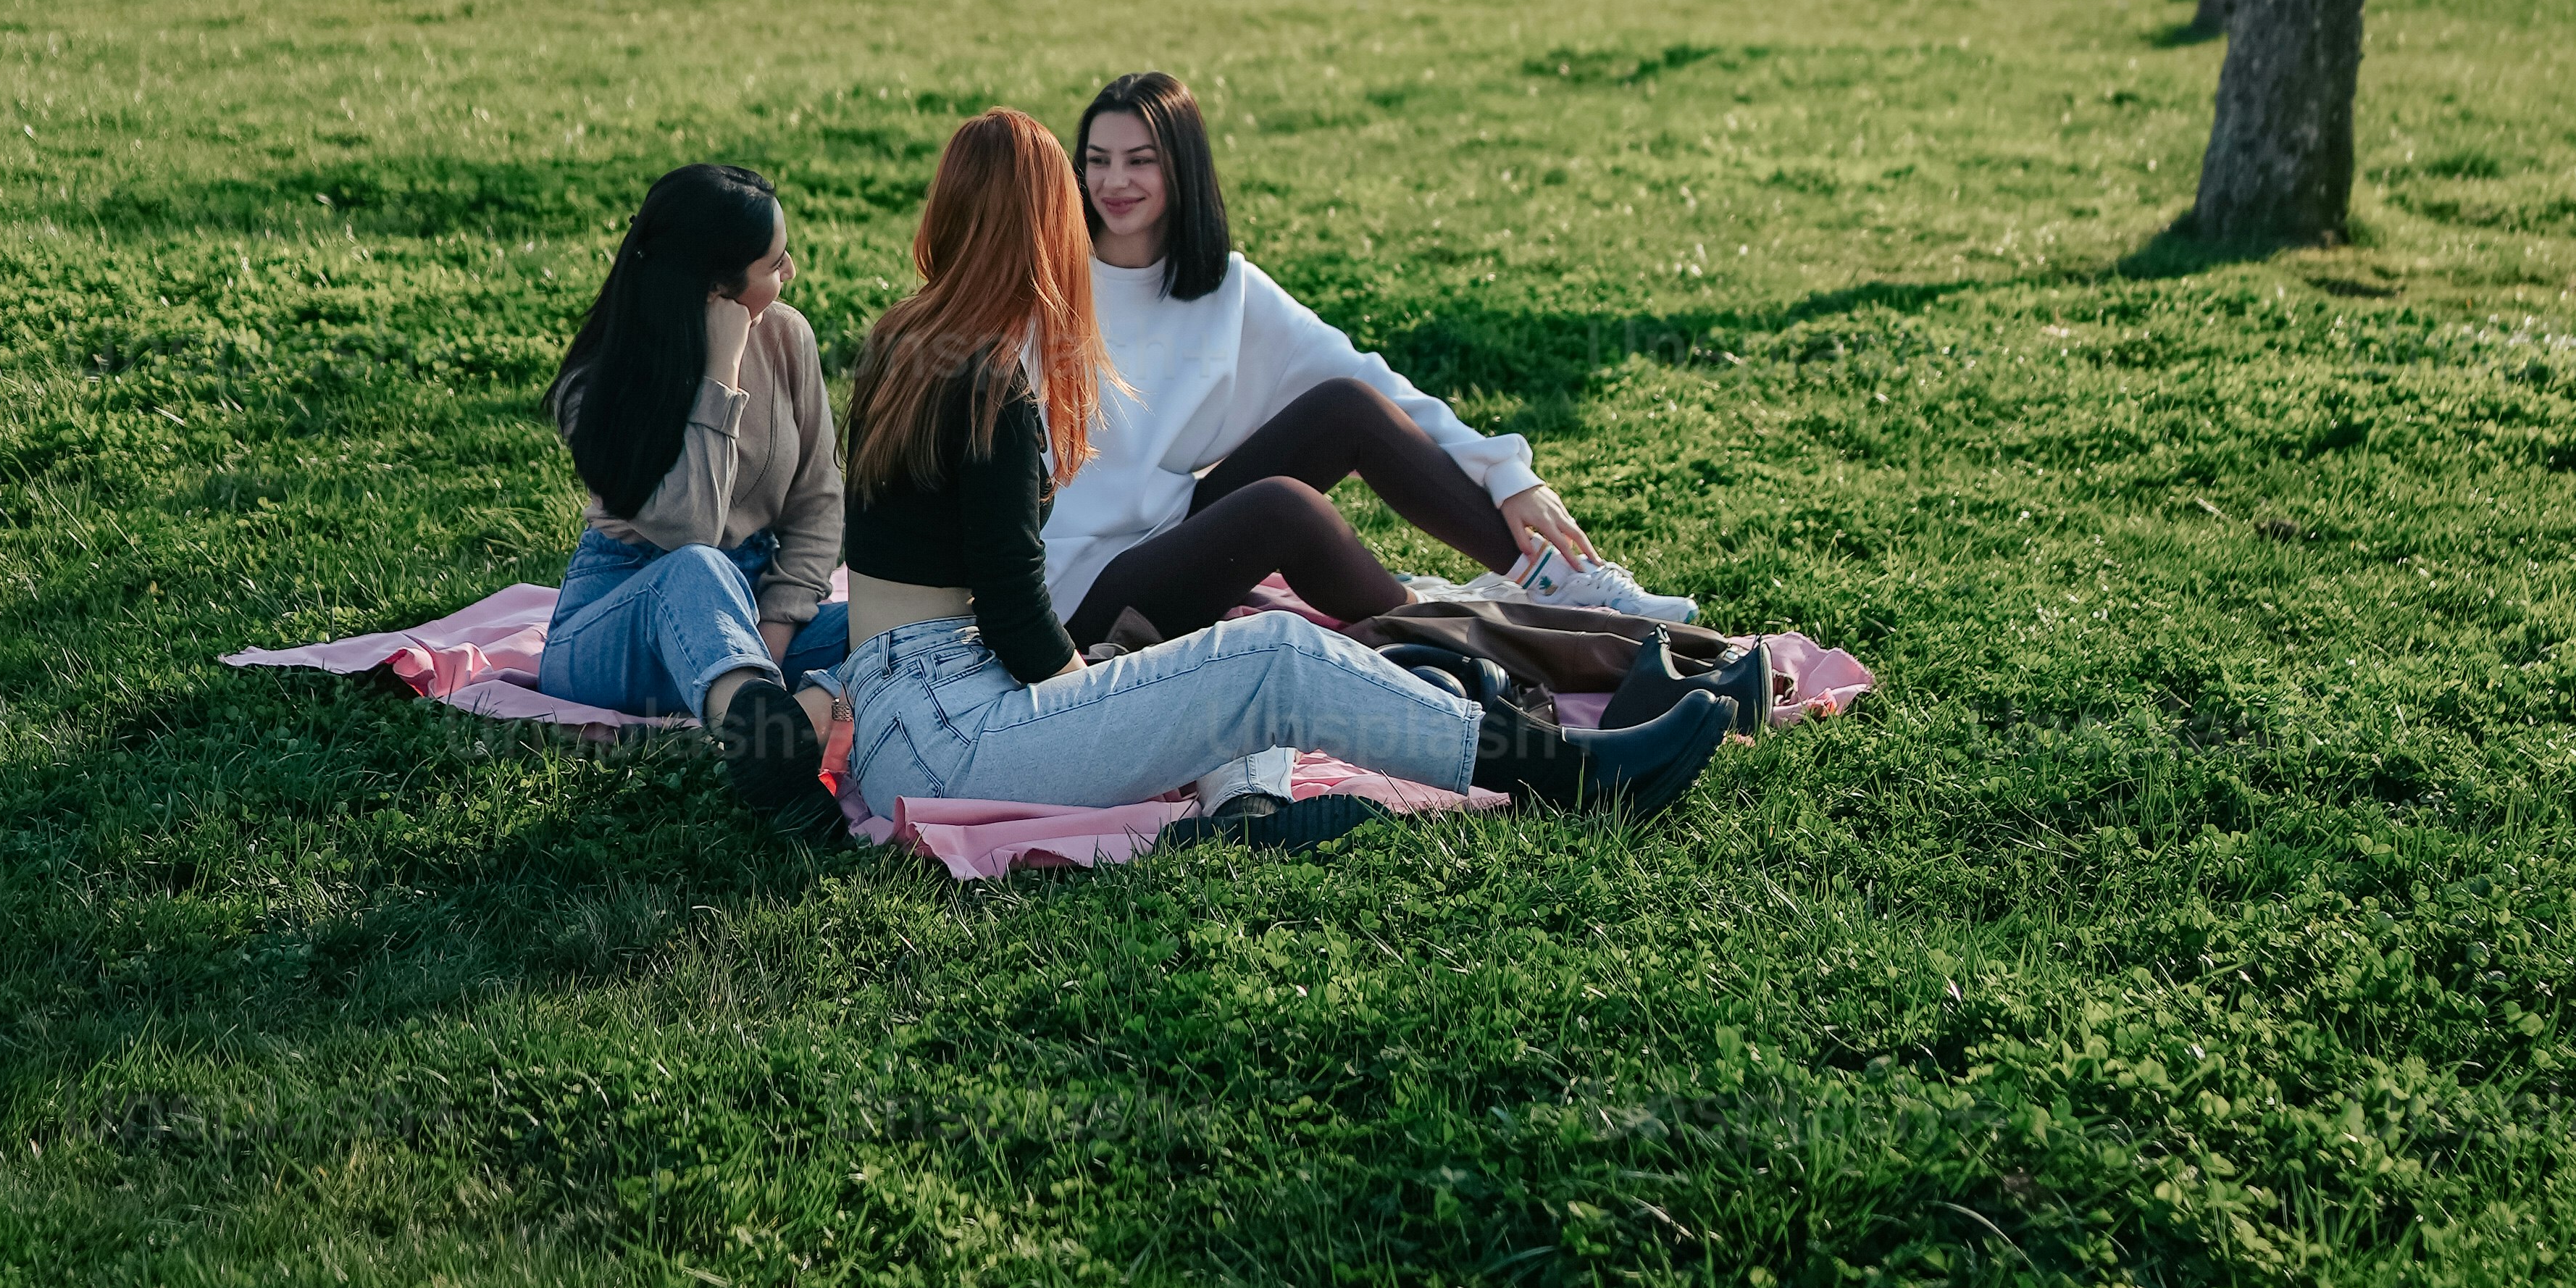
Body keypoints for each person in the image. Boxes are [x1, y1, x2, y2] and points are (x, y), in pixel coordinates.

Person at [840, 106, 1729, 834]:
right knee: (1274, 657)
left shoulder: (899, 343)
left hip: (901, 709)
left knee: (1234, 661)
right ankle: (1574, 775)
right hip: (950, 729)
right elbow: (1011, 602)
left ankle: (1524, 702)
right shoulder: (996, 380)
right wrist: (1098, 690)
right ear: (1047, 225)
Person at [1055, 70, 1690, 652]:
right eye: (1098, 161)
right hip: (1081, 590)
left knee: (1346, 408)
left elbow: (1369, 383)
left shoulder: (1228, 288)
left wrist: (1509, 474)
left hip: (1172, 532)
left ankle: (1556, 581)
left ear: (1182, 169)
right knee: (1285, 508)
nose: (1114, 183)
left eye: (1140, 161)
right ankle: (1449, 629)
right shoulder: (1049, 287)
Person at [538, 160, 852, 844]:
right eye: (773, 263)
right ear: (718, 286)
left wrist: (778, 623)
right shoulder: (594, 388)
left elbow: (820, 501)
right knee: (698, 570)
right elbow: (692, 531)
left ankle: (786, 720)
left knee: (887, 622)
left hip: (754, 613)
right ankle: (778, 765)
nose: (790, 273)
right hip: (619, 616)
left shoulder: (789, 336)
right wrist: (720, 375)